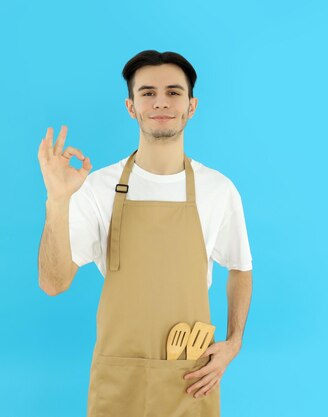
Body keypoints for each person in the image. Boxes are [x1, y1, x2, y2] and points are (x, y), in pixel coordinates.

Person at [37, 50, 253, 417]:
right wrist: (57, 202)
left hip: (191, 375)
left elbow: (240, 269)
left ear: (192, 105)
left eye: (173, 92)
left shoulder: (218, 189)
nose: (161, 102)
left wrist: (234, 343)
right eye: (147, 93)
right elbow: (53, 283)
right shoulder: (98, 187)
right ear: (131, 106)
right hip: (119, 374)